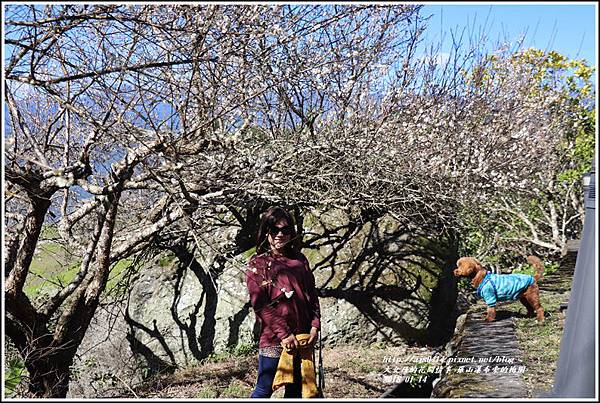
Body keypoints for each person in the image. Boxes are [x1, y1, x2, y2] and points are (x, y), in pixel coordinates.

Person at [246, 206, 321, 398]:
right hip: (275, 339)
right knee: (264, 388)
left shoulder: (300, 260)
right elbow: (260, 305)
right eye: (274, 230)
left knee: (296, 390)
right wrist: (284, 334)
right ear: (266, 232)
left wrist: (314, 326)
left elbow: (311, 295)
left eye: (285, 230)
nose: (280, 234)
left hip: (303, 337)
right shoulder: (258, 264)